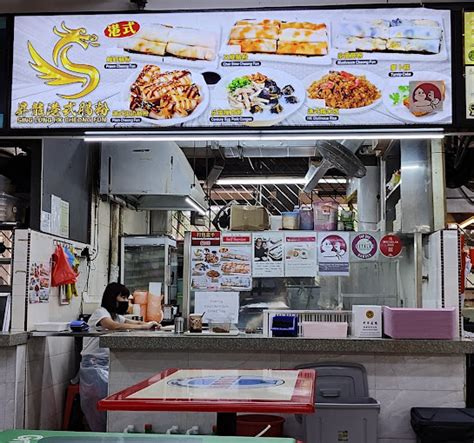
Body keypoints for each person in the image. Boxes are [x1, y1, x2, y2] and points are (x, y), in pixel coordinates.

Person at [79, 282, 159, 432]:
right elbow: (112, 326)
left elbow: (132, 322)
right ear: (112, 297)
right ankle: (99, 431)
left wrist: (150, 324)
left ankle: (112, 428)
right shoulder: (101, 313)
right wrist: (142, 327)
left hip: (106, 364)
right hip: (93, 367)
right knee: (99, 401)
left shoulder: (116, 316)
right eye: (122, 297)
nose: (125, 301)